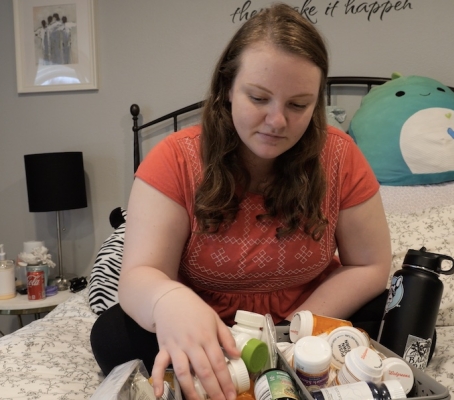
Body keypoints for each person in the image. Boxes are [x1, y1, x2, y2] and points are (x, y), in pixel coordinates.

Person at [90, 3, 391, 400]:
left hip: (308, 314)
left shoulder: (340, 156)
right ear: (227, 89)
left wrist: (298, 330)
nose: (277, 121)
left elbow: (370, 265)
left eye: (298, 105)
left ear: (316, 104)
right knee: (113, 336)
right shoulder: (174, 158)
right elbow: (139, 274)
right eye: (258, 97)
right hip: (203, 323)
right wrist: (169, 301)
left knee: (401, 320)